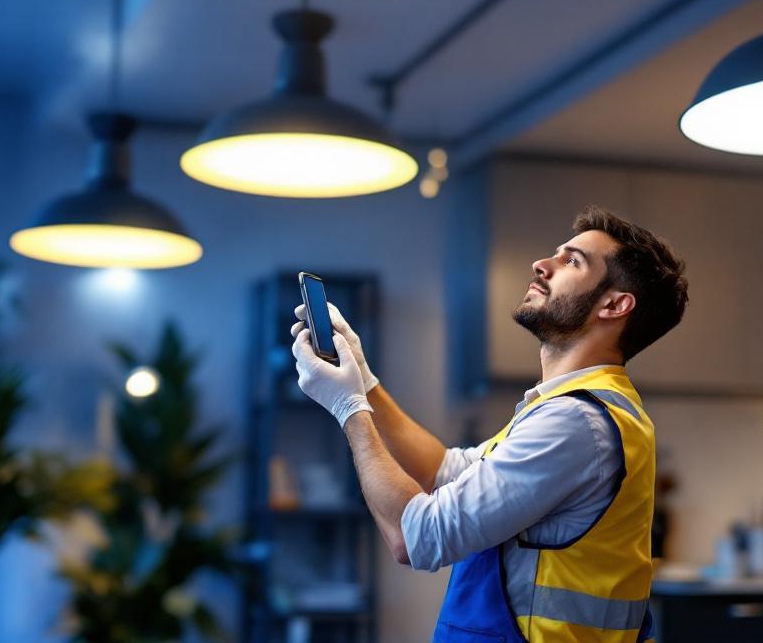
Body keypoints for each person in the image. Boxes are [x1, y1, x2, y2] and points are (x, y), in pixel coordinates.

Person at [290, 205, 689, 643]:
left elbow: (416, 537)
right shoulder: (573, 408)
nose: (542, 264)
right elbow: (442, 471)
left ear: (615, 305)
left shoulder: (576, 421)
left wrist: (349, 409)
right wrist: (365, 383)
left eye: (572, 261)